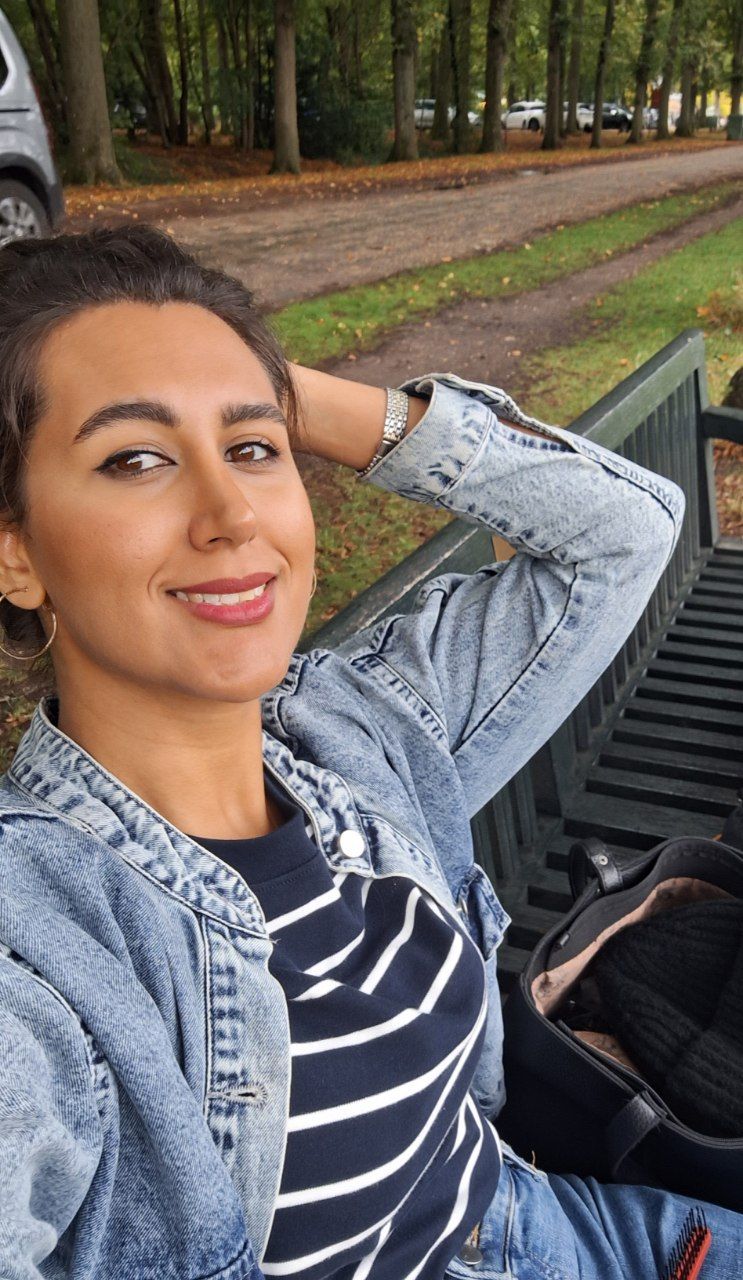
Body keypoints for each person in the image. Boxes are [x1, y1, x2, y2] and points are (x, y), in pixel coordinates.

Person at [0, 224, 739, 1280]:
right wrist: (236, 399)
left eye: (253, 450)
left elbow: (620, 532)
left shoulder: (357, 734)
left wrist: (267, 384)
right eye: (136, 458)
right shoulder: (42, 944)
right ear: (15, 553)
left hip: (531, 1225)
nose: (230, 513)